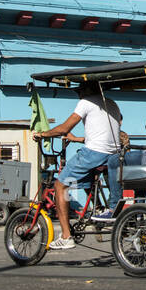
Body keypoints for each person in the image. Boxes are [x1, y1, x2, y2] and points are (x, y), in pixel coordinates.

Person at [32, 80, 123, 250]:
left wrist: (43, 134)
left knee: (61, 186)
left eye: (79, 91)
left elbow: (64, 128)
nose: (78, 94)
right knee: (85, 179)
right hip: (114, 155)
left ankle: (66, 236)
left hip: (94, 154)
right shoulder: (111, 103)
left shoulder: (86, 102)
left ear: (87, 89)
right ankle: (97, 209)